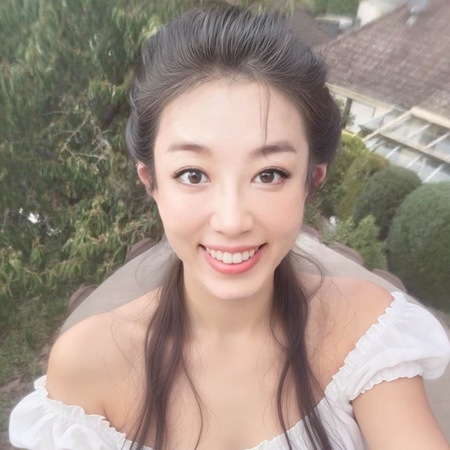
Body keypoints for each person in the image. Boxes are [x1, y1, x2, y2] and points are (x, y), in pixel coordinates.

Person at [9, 5, 450, 450]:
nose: (233, 221)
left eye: (270, 174)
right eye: (193, 174)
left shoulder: (364, 329)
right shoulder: (88, 365)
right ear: (152, 182)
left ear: (311, 182)